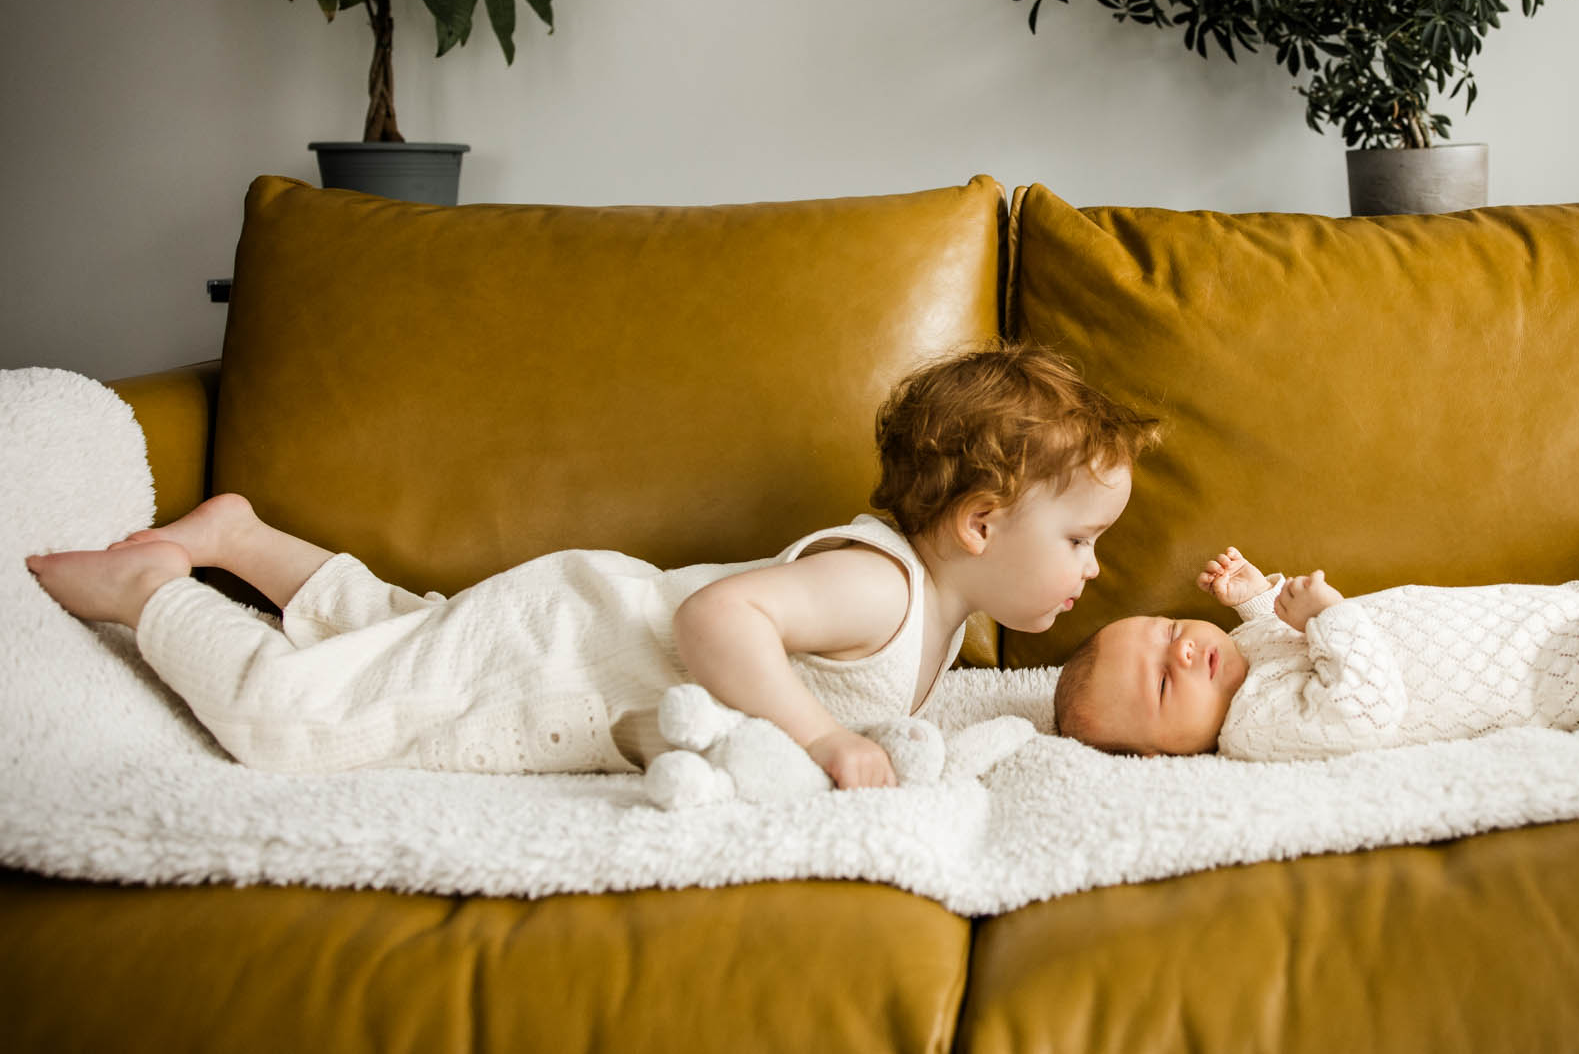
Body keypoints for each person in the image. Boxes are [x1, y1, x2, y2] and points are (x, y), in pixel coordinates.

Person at [26, 343, 1158, 788]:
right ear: (976, 522)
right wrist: (821, 741)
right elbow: (720, 616)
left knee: (400, 631)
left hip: (565, 627)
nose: (1094, 570)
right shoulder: (878, 589)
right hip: (561, 643)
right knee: (297, 722)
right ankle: (156, 594)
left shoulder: (943, 616)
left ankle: (239, 537)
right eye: (1078, 538)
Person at [1053, 545, 1579, 759]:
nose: (1185, 652)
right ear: (1165, 752)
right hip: (1523, 678)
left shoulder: (1242, 651)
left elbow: (1279, 631)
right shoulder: (1255, 729)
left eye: (1168, 632)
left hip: (1501, 619)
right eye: (1162, 684)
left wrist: (1256, 594)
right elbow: (1362, 706)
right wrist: (1329, 613)